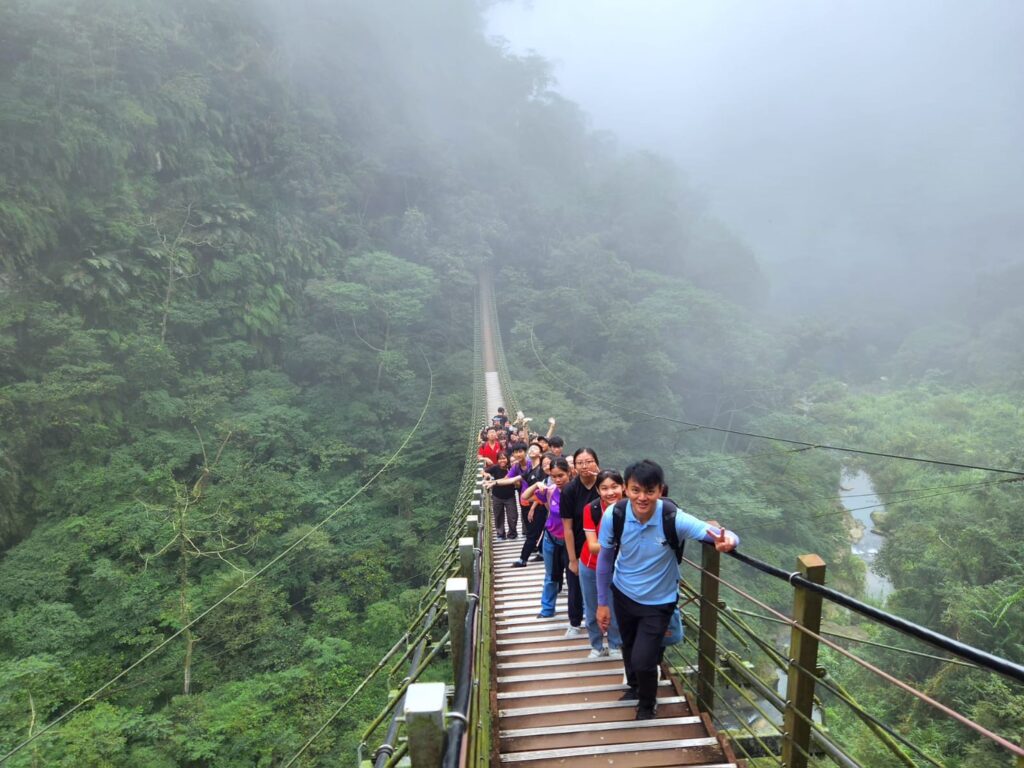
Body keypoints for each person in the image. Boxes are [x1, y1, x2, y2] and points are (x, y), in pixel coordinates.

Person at [596, 459, 739, 721]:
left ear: (660, 491)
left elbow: (718, 534)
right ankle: (636, 689)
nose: (642, 497)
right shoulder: (614, 515)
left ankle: (647, 705)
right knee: (628, 646)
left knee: (643, 659)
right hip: (623, 594)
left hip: (659, 602)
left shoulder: (672, 518)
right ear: (626, 489)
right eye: (636, 490)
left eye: (649, 491)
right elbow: (605, 560)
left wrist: (729, 540)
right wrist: (602, 602)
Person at [579, 469, 624, 658]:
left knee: (615, 607)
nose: (610, 492)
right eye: (604, 488)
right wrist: (619, 545)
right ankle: (596, 646)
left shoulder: (631, 508)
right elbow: (592, 546)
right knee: (592, 606)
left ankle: (615, 644)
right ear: (598, 490)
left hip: (619, 568)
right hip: (591, 565)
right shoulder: (592, 509)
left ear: (623, 487)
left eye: (615, 487)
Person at [523, 457, 573, 619]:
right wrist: (537, 484)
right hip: (551, 537)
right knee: (551, 575)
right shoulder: (551, 491)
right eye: (554, 476)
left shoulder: (575, 492)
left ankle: (581, 610)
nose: (557, 480)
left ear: (569, 473)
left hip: (570, 540)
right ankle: (547, 609)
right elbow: (525, 496)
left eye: (561, 476)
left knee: (574, 576)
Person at [560, 447, 601, 638]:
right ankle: (575, 623)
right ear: (574, 467)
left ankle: (606, 625)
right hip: (577, 545)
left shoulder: (605, 486)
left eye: (589, 461)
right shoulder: (569, 490)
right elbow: (567, 527)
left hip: (603, 547)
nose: (585, 466)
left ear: (597, 463)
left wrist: (602, 479)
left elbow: (623, 501)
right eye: (580, 462)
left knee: (604, 587)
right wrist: (572, 559)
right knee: (575, 585)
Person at [510, 451, 551, 567]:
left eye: (549, 464)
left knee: (535, 533)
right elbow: (535, 495)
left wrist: (533, 507)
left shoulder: (551, 478)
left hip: (545, 510)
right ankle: (535, 555)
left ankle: (524, 559)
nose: (546, 466)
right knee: (539, 531)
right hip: (542, 507)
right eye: (544, 464)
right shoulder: (540, 476)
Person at [483, 452, 518, 540]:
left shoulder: (511, 468)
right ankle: (500, 533)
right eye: (500, 459)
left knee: (513, 516)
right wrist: (486, 474)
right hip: (497, 496)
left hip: (510, 496)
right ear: (497, 460)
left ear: (508, 459)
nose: (502, 460)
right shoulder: (495, 467)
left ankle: (512, 533)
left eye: (504, 458)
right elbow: (482, 470)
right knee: (498, 515)